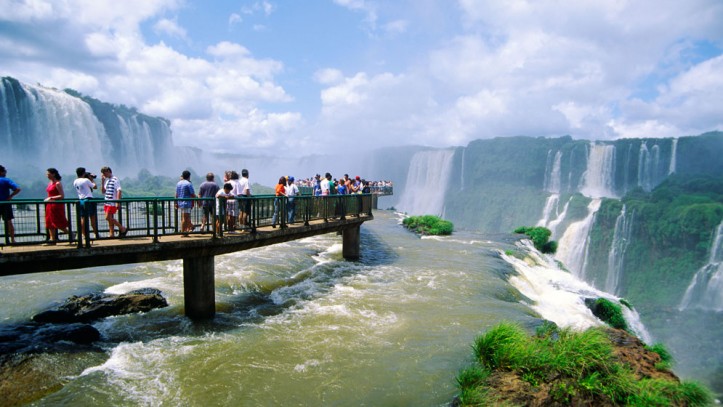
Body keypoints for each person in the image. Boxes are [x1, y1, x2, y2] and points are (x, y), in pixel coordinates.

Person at [44, 168, 72, 245]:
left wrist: (51, 198)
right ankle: (52, 239)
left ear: (53, 174)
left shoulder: (57, 183)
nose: (47, 175)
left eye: (48, 174)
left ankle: (70, 233)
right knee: (49, 221)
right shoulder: (49, 183)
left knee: (57, 222)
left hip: (56, 205)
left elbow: (62, 195)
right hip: (49, 205)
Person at [73, 167, 99, 241]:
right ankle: (96, 234)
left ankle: (83, 234)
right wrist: (92, 179)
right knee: (92, 217)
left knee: (83, 218)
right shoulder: (86, 180)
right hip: (89, 200)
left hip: (81, 200)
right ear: (84, 173)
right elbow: (95, 187)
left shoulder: (75, 181)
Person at [101, 166, 128, 238]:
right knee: (109, 219)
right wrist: (102, 181)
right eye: (103, 173)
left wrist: (117, 202)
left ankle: (122, 228)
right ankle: (111, 234)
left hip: (112, 202)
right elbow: (103, 192)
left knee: (107, 218)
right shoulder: (106, 181)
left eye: (105, 173)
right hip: (106, 202)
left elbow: (119, 190)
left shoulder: (115, 179)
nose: (104, 174)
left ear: (109, 171)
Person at [0, 165, 21, 244]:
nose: (5, 173)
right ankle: (12, 240)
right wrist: (10, 196)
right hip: (5, 204)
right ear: (1, 172)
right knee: (9, 222)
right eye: (4, 171)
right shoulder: (6, 180)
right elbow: (17, 189)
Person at [175, 170, 197, 236]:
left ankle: (184, 231)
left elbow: (176, 194)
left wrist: (176, 202)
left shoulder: (178, 183)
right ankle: (184, 233)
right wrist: (198, 199)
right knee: (186, 218)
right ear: (189, 176)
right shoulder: (188, 183)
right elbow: (192, 194)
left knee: (184, 218)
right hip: (187, 203)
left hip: (180, 203)